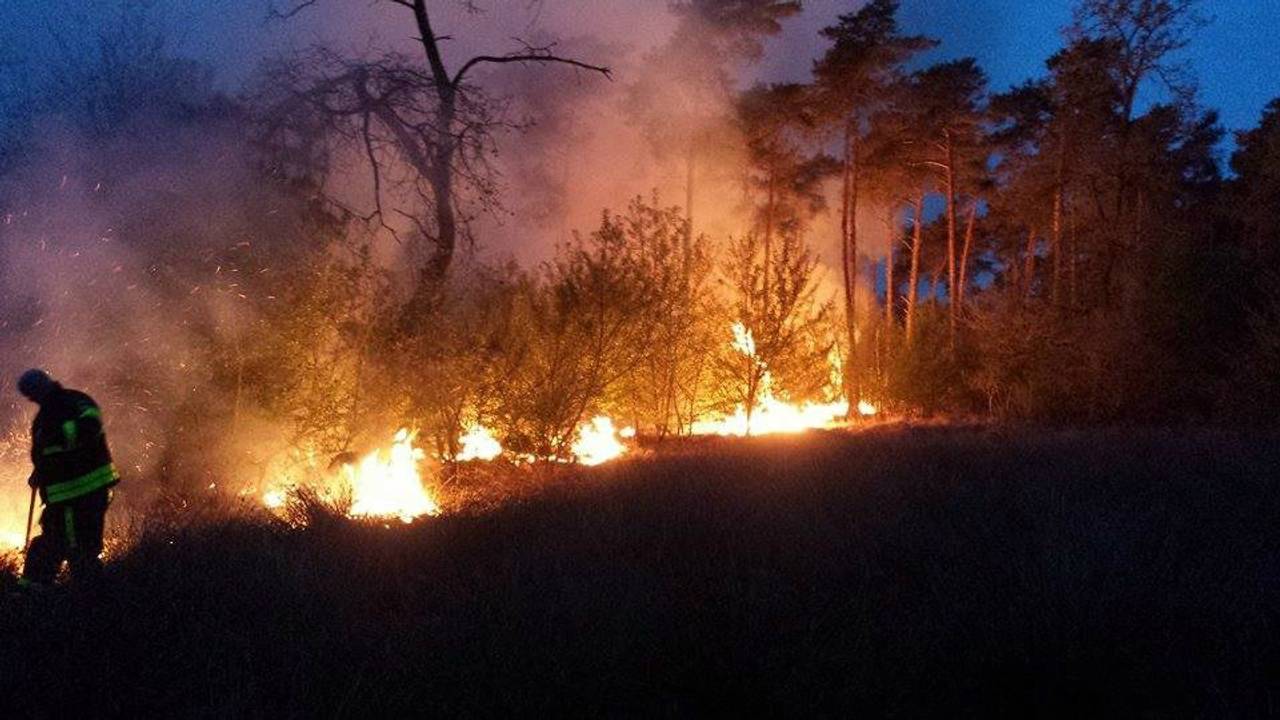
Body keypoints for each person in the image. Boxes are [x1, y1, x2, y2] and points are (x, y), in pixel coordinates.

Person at [16, 369, 119, 587]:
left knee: (73, 548)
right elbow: (49, 454)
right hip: (65, 496)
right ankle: (47, 594)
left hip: (79, 494)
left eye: (31, 393)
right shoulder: (45, 415)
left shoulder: (76, 401)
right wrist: (40, 472)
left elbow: (90, 426)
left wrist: (59, 438)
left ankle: (81, 598)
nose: (31, 398)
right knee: (64, 545)